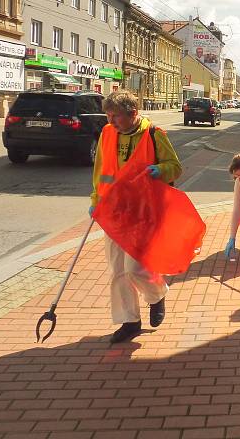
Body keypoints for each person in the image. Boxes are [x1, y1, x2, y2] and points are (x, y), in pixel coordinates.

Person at [90, 91, 183, 343]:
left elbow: (175, 167)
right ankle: (129, 321)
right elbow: (101, 170)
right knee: (118, 271)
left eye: (115, 116)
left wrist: (159, 169)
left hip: (144, 212)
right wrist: (95, 200)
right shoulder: (107, 134)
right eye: (108, 115)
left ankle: (156, 295)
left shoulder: (154, 134)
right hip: (115, 211)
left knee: (136, 268)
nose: (110, 121)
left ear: (133, 113)